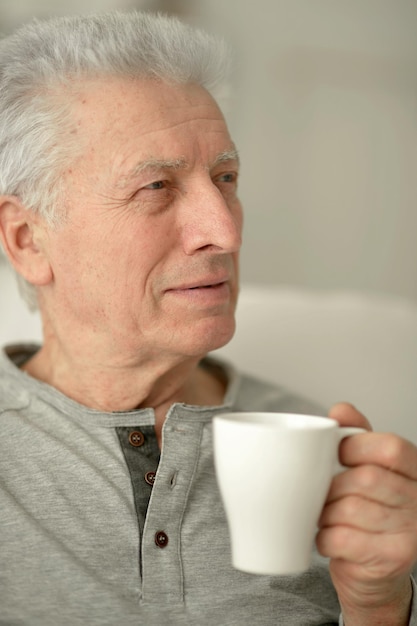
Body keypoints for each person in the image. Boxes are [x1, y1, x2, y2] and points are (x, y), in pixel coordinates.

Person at [0, 11, 416, 626]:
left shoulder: (327, 457)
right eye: (157, 187)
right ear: (29, 239)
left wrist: (380, 605)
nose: (223, 230)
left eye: (226, 178)